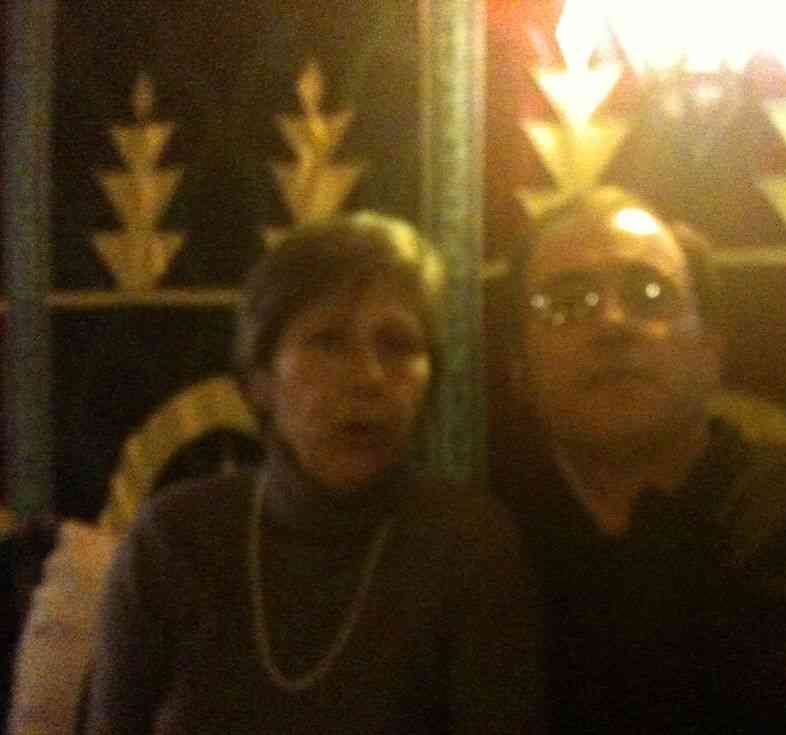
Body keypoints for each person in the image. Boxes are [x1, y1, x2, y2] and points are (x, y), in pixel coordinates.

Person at [493, 185, 786, 732]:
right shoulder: (485, 564)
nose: (612, 323)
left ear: (711, 351)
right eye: (566, 302)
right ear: (520, 370)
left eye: (649, 294)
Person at [84, 212, 545, 734]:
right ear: (261, 380)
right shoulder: (174, 540)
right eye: (327, 341)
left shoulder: (465, 545)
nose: (369, 377)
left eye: (397, 345)